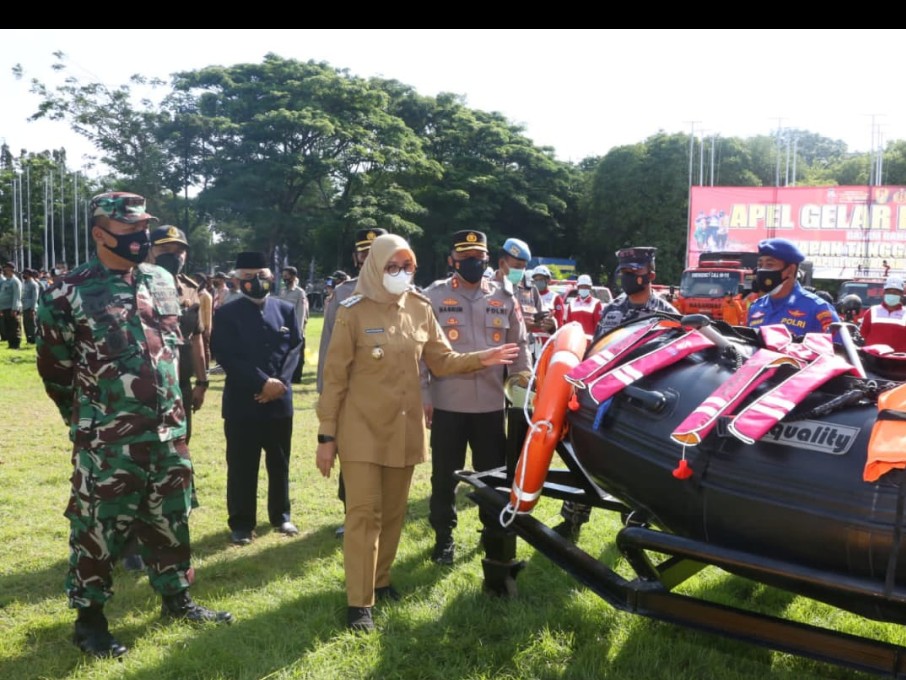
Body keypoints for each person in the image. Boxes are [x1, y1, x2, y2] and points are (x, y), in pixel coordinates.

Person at [35, 191, 232, 659]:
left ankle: (177, 599)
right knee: (97, 529)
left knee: (172, 519)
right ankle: (90, 621)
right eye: (129, 232)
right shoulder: (67, 291)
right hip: (108, 441)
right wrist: (89, 420)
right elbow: (55, 371)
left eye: (144, 229)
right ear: (100, 233)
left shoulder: (162, 279)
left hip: (168, 433)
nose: (141, 238)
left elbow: (174, 348)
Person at [316, 232, 520, 632]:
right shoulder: (352, 310)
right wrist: (327, 437)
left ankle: (381, 580)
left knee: (392, 514)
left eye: (407, 267)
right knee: (364, 515)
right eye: (392, 266)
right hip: (360, 431)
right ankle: (359, 604)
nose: (401, 273)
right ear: (374, 266)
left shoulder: (419, 307)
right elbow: (334, 377)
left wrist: (484, 357)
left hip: (404, 429)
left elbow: (441, 360)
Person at [422, 229, 531, 591]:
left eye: (479, 257)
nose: (474, 262)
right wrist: (424, 394)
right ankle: (443, 538)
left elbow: (519, 345)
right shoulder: (434, 297)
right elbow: (420, 351)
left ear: (487, 259)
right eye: (466, 256)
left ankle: (491, 533)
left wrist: (521, 386)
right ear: (453, 260)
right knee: (444, 476)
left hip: (489, 405)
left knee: (492, 476)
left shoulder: (503, 297)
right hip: (447, 403)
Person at [558, 247, 679, 542]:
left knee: (636, 467)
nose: (627, 278)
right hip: (609, 399)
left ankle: (635, 526)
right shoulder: (612, 310)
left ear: (649, 275)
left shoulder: (668, 314)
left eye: (633, 273)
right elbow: (597, 351)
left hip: (646, 404)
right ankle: (572, 520)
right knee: (588, 458)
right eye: (623, 273)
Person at [210, 251, 302, 545]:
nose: (255, 281)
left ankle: (281, 516)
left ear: (271, 277)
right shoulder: (225, 314)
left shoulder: (285, 310)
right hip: (242, 403)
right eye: (247, 277)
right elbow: (227, 356)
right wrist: (263, 382)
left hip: (279, 402)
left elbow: (294, 349)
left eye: (260, 275)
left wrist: (281, 383)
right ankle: (241, 523)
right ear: (237, 280)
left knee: (280, 461)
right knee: (241, 465)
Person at [317, 229, 387, 538]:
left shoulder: (403, 289)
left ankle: (386, 514)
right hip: (354, 392)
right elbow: (329, 344)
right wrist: (325, 391)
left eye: (374, 251)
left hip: (390, 389)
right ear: (356, 258)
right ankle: (353, 514)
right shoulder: (344, 294)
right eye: (362, 253)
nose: (367, 258)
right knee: (354, 455)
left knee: (391, 454)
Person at [148, 226, 209, 442]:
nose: (174, 255)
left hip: (180, 384)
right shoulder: (132, 283)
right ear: (150, 250)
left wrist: (202, 383)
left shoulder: (190, 289)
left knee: (181, 446)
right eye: (165, 248)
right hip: (143, 384)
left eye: (179, 251)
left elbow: (196, 338)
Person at [746, 238, 839, 334]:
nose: (762, 270)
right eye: (760, 265)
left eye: (769, 264)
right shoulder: (756, 307)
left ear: (791, 270)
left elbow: (839, 347)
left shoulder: (818, 309)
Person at [279, 265, 309, 384]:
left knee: (297, 355)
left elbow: (301, 313)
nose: (285, 278)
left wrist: (298, 331)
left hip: (295, 329)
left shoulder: (299, 293)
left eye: (287, 276)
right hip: (283, 329)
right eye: (283, 276)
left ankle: (296, 378)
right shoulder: (282, 291)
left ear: (293, 277)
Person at [859, 275, 906, 352]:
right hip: (873, 360)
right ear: (884, 292)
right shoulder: (872, 311)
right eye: (889, 292)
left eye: (895, 292)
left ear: (901, 294)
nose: (892, 294)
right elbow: (863, 333)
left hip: (899, 360)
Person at [0, 261, 22, 349]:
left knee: (14, 327)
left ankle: (16, 345)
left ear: (10, 270)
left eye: (6, 269)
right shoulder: (6, 281)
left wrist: (14, 309)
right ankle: (11, 344)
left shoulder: (15, 281)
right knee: (8, 328)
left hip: (12, 309)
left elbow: (17, 296)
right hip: (5, 308)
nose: (4, 270)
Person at [21, 268, 40, 344]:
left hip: (30, 308)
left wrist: (32, 309)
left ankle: (34, 340)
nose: (23, 275)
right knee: (26, 325)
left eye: (25, 274)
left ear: (29, 275)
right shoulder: (25, 283)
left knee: (32, 325)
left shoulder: (34, 284)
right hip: (25, 307)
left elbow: (35, 297)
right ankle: (28, 339)